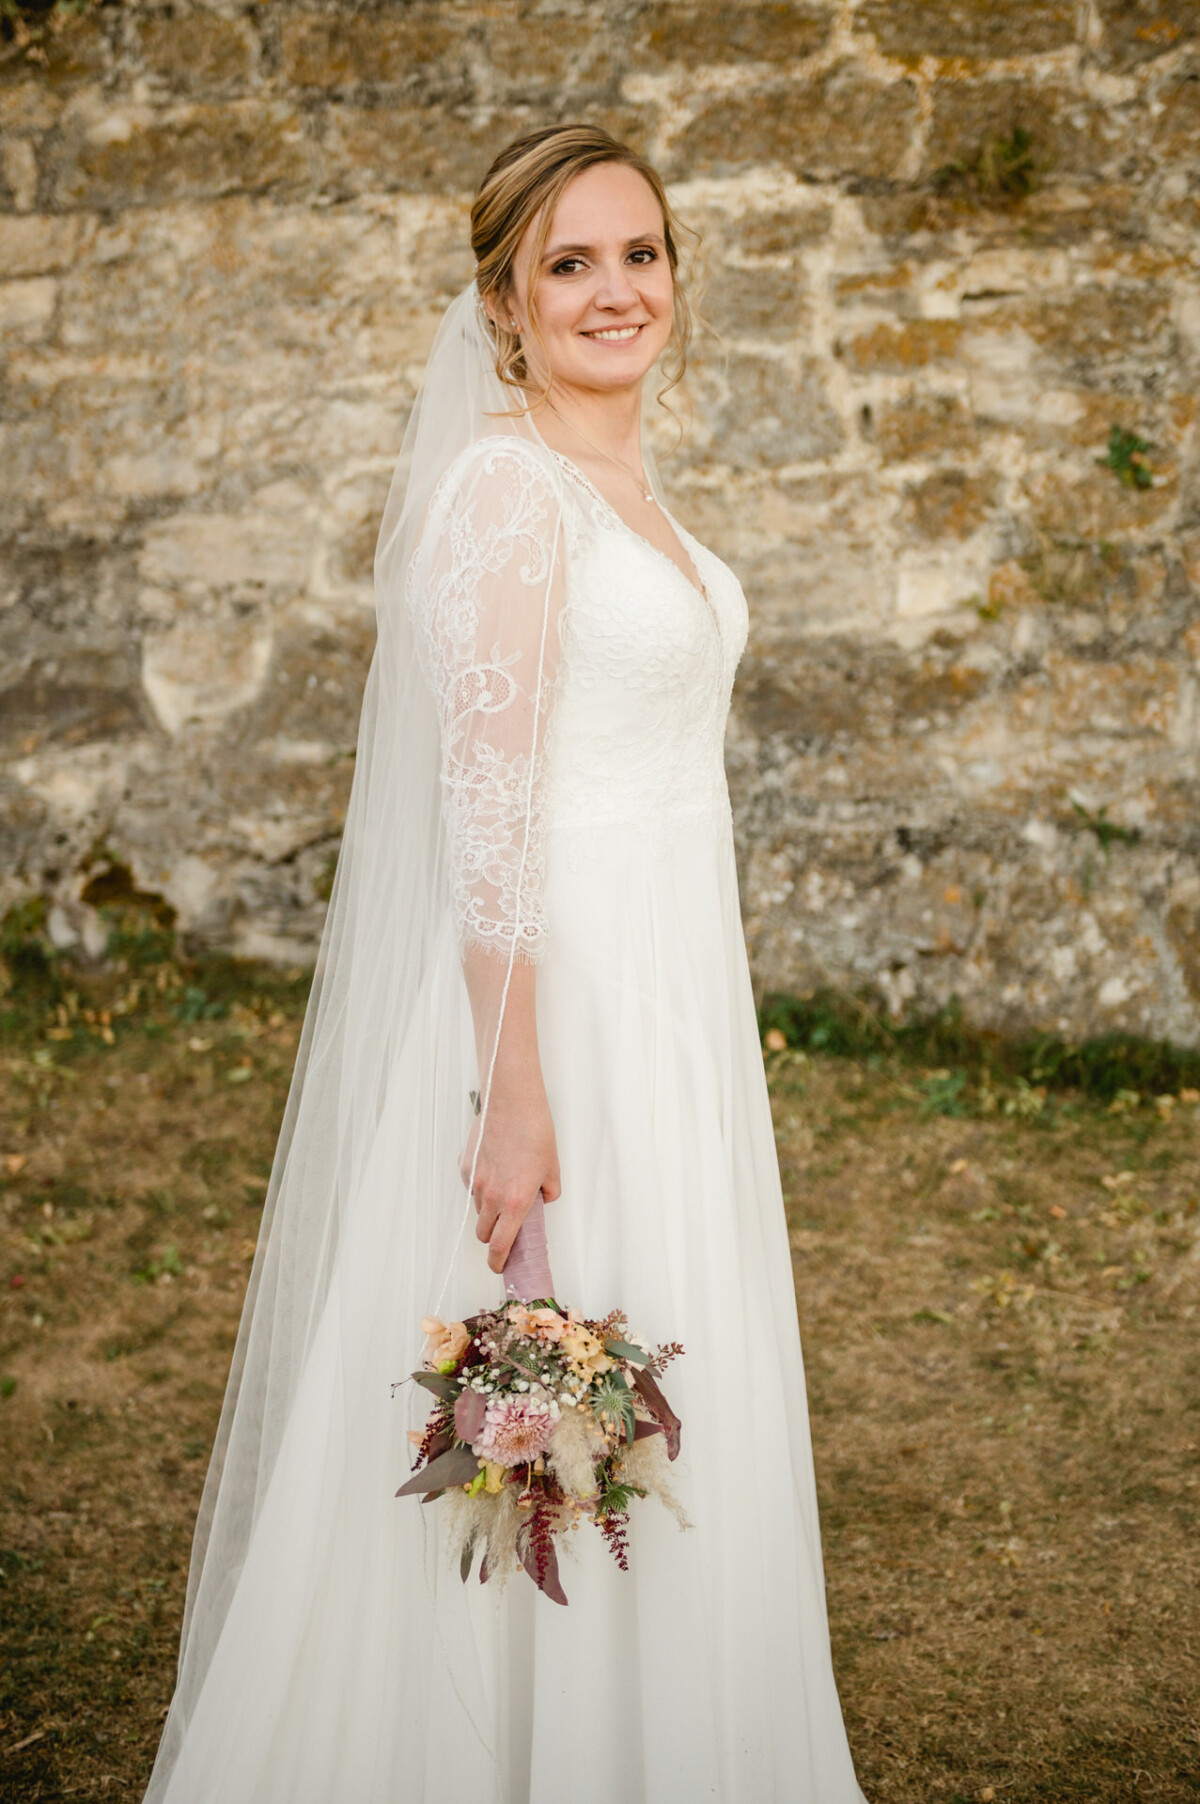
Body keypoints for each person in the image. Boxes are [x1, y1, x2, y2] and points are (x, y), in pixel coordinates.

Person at [142, 123, 867, 1804]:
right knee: (545, 1384)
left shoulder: (630, 486)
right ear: (501, 302)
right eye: (570, 263)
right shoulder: (507, 491)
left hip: (672, 1001)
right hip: (555, 1022)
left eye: (642, 254)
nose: (617, 291)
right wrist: (515, 1098)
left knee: (677, 1372)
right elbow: (485, 821)